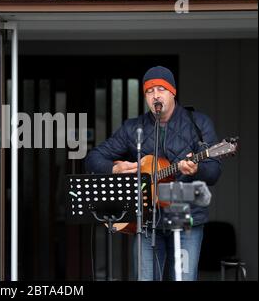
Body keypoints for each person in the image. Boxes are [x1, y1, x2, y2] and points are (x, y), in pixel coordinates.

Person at [85, 66, 221, 281]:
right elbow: (93, 158)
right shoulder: (133, 128)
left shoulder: (198, 123)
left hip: (185, 217)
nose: (155, 95)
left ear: (173, 92)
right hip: (146, 220)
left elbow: (213, 172)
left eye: (161, 89)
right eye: (149, 91)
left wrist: (197, 169)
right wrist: (116, 168)